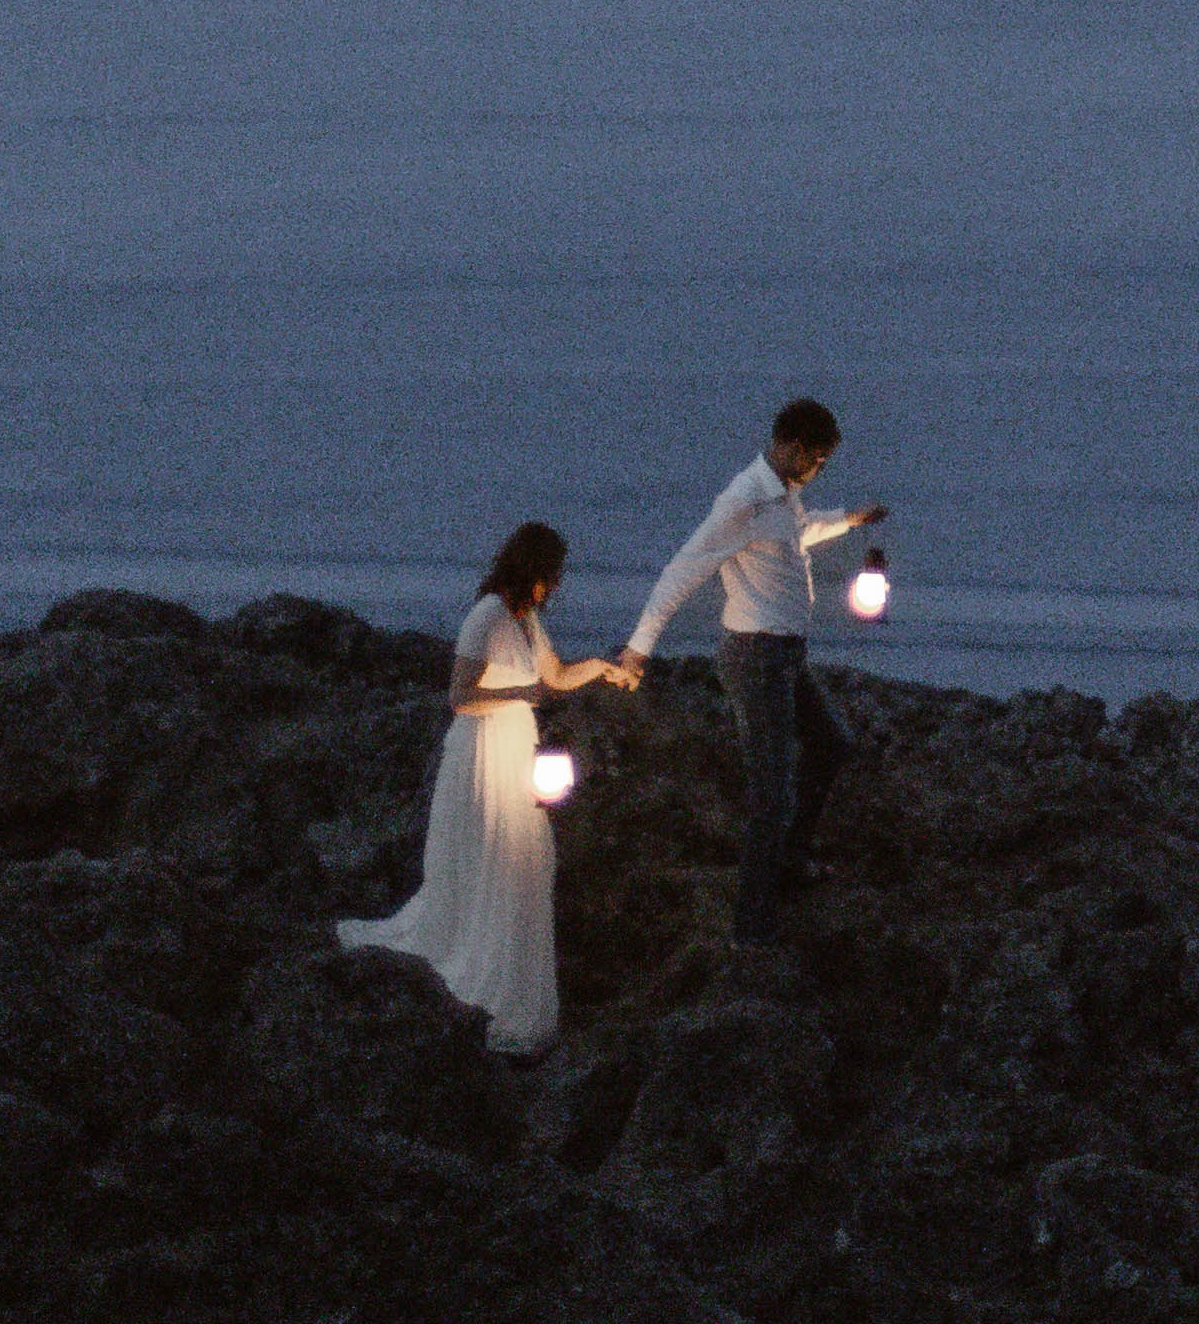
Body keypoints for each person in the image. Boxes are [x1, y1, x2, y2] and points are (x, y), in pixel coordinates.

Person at [332, 521, 632, 1055]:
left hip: (514, 747)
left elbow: (556, 676)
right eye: (551, 575)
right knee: (493, 859)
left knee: (525, 859)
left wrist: (601, 669)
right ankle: (473, 979)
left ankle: (511, 976)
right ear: (532, 571)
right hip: (481, 754)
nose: (556, 586)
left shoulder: (527, 621)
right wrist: (521, 691)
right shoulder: (487, 616)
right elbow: (460, 695)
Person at [624, 396, 886, 948]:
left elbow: (795, 535)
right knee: (772, 791)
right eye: (816, 460)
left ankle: (787, 866)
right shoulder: (742, 501)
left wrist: (848, 519)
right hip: (755, 656)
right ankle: (752, 930)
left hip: (785, 655)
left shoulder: (783, 496)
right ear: (790, 447)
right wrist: (639, 648)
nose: (819, 470)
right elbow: (683, 569)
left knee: (831, 747)